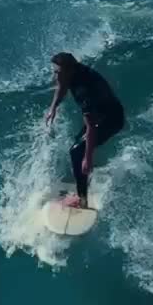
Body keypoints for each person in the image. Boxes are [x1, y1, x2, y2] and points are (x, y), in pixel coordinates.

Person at [46, 52, 125, 208]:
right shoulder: (72, 72)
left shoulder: (84, 91)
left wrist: (87, 158)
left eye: (58, 72)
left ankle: (82, 200)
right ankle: (84, 178)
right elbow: (62, 86)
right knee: (78, 146)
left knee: (77, 151)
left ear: (69, 70)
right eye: (54, 71)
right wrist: (53, 107)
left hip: (111, 120)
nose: (55, 76)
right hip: (102, 114)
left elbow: (92, 127)